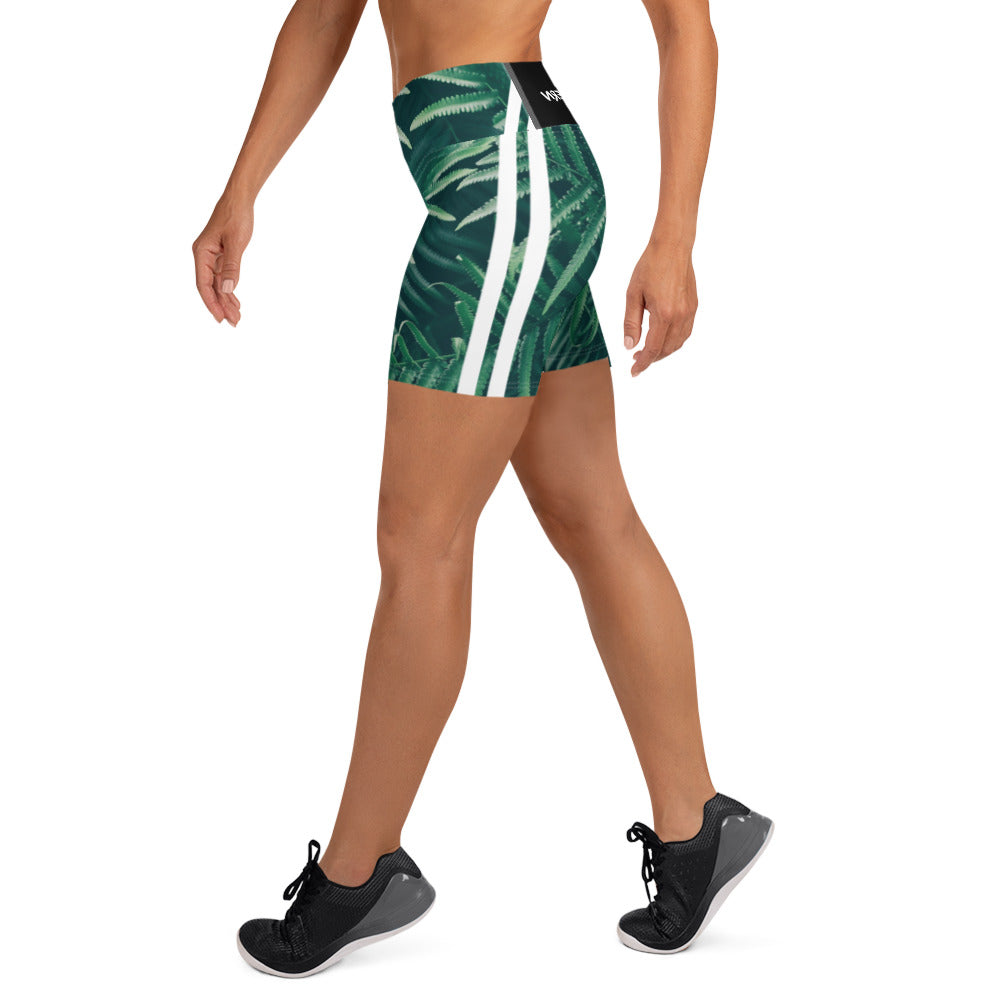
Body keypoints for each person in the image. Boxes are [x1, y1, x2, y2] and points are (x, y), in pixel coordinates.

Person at [192, 0, 772, 978]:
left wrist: (674, 236)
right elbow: (326, 11)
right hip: (506, 176)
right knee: (590, 514)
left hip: (500, 189)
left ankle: (357, 871)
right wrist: (240, 188)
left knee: (419, 543)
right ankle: (696, 825)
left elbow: (686, 25)